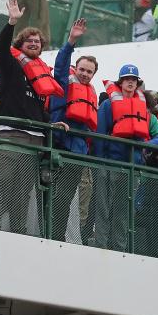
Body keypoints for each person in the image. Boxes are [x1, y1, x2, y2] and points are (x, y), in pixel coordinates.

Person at [0, 0, 65, 234]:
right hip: (12, 135)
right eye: (30, 40)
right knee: (4, 184)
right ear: (21, 44)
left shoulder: (41, 74)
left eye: (38, 41)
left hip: (36, 138)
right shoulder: (11, 65)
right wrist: (12, 22)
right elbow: (1, 49)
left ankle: (18, 231)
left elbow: (38, 107)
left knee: (24, 190)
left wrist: (50, 123)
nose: (34, 43)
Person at [92, 64, 158, 250]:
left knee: (123, 212)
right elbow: (99, 137)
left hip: (132, 169)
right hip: (108, 166)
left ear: (138, 83)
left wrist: (144, 146)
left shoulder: (144, 111)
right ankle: (101, 247)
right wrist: (99, 165)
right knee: (103, 210)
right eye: (127, 79)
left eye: (134, 80)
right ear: (120, 82)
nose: (130, 82)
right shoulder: (108, 105)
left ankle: (119, 249)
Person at [49, 18, 98, 242]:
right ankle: (48, 233)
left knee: (66, 198)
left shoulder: (91, 93)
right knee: (49, 194)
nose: (85, 74)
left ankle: (57, 236)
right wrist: (71, 41)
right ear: (76, 68)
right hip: (58, 144)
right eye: (82, 69)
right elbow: (60, 65)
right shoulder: (65, 82)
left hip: (77, 151)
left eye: (89, 72)